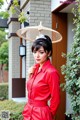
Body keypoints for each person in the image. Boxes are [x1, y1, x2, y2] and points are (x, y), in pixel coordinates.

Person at [22, 34, 60, 120]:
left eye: (41, 52)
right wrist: (30, 75)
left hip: (41, 114)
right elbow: (32, 90)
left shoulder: (51, 72)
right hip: (29, 112)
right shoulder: (35, 69)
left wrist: (49, 114)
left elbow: (56, 99)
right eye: (35, 52)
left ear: (49, 53)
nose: (37, 56)